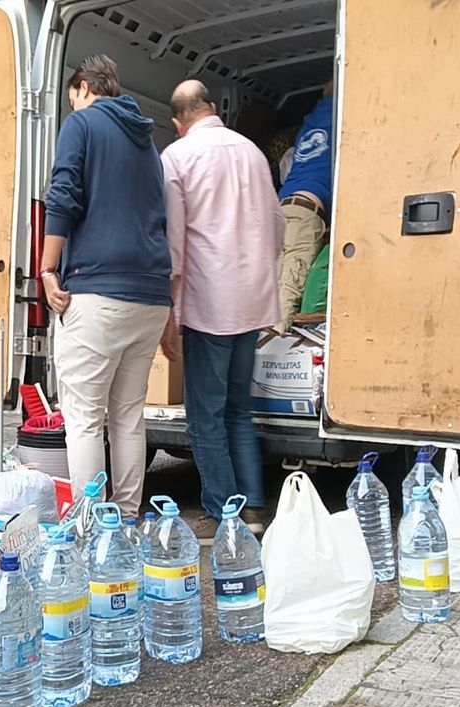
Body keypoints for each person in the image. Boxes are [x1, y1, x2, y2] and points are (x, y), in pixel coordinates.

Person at [40, 54, 173, 518]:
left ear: (80, 88)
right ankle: (128, 521)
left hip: (97, 292)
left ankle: (91, 530)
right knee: (128, 418)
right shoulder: (147, 143)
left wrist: (47, 267)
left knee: (83, 421)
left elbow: (63, 194)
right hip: (150, 297)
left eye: (71, 96)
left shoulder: (82, 125)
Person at [160, 80, 283, 536]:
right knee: (238, 409)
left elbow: (173, 240)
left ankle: (223, 511)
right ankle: (252, 508)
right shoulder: (252, 151)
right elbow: (276, 222)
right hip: (252, 299)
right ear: (212, 108)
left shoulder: (177, 156)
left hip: (210, 301)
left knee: (205, 414)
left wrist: (169, 311)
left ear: (178, 123)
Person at [276, 81, 335, 331]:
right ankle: (273, 351)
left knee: (274, 281)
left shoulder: (309, 127)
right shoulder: (343, 118)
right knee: (292, 281)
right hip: (307, 210)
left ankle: (258, 341)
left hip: (281, 205)